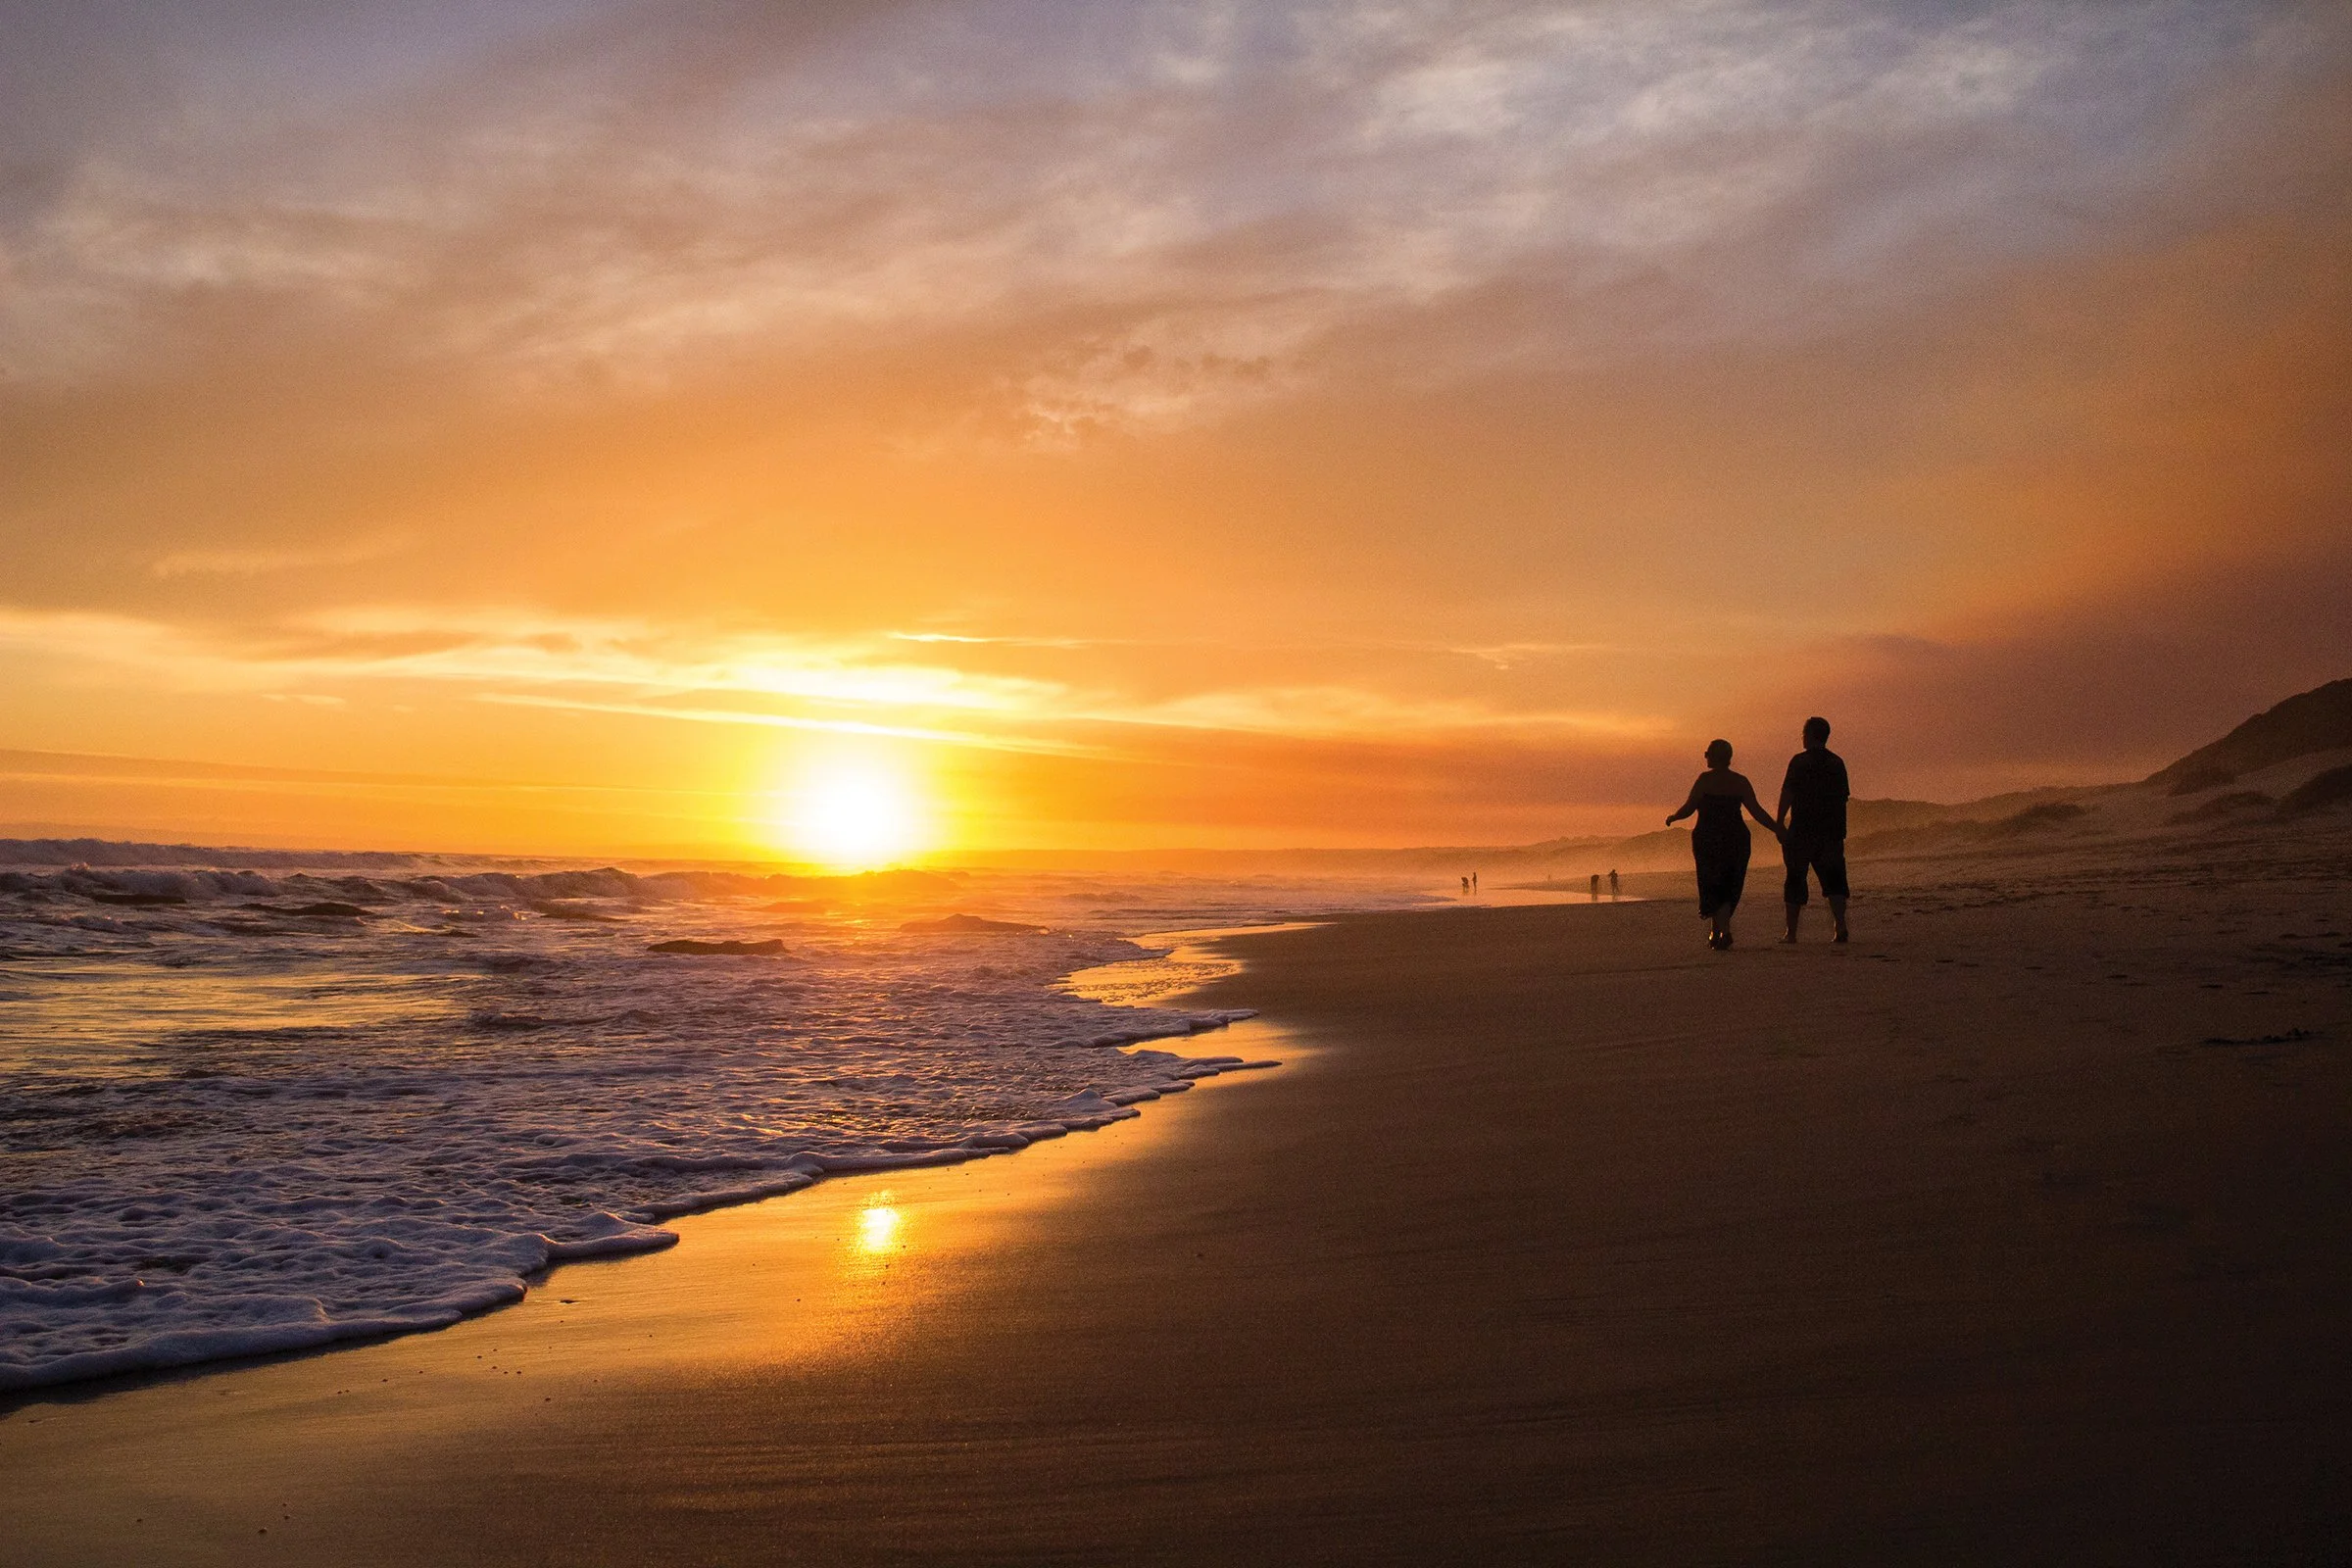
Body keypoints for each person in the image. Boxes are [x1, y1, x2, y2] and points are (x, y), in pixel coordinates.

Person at [1665, 739, 1783, 951]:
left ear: (1715, 756)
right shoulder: (1740, 781)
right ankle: (1719, 931)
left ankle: (1722, 931)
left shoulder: (1705, 780)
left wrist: (1673, 817)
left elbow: (1689, 807)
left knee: (1712, 884)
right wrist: (1776, 828)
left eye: (1707, 753)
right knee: (1729, 884)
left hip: (1708, 839)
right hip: (1735, 838)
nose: (1705, 756)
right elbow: (1756, 811)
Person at [1776, 715, 1851, 944]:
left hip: (1802, 829)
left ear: (1808, 735)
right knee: (1835, 879)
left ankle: (1791, 933)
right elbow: (1843, 798)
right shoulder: (1837, 763)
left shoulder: (1799, 762)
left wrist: (1780, 822)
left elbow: (1787, 793)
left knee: (1796, 879)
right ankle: (1840, 926)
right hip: (1831, 830)